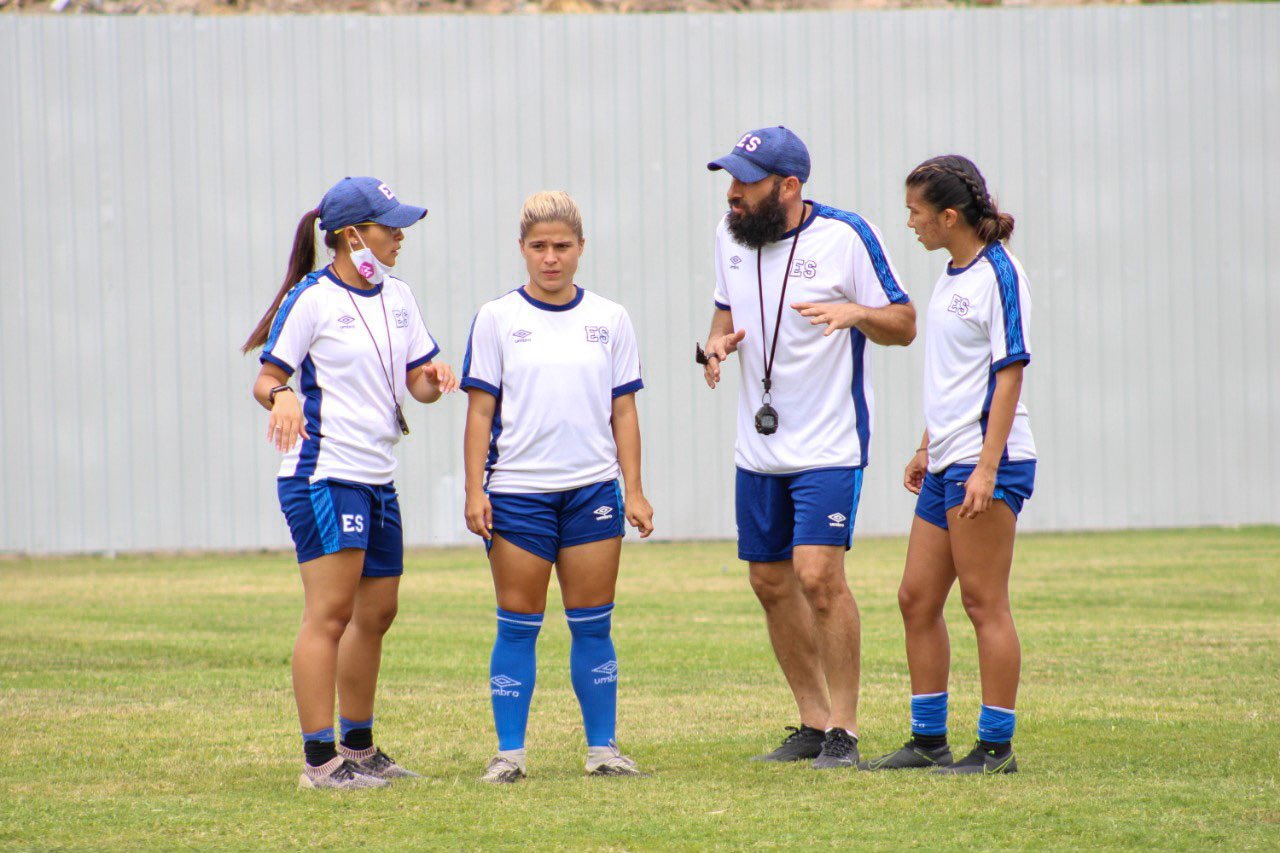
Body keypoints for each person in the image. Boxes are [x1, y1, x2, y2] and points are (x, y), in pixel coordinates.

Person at [701, 127, 916, 769]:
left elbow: (903, 323)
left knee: (818, 577)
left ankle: (845, 732)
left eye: (747, 182)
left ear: (789, 187)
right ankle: (811, 722)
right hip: (757, 445)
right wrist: (713, 345)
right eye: (731, 181)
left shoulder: (847, 235)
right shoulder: (728, 235)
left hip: (829, 441)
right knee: (769, 581)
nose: (734, 194)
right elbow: (722, 315)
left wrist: (856, 315)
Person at [242, 176, 459, 790]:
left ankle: (359, 746)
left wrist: (434, 377)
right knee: (330, 614)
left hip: (377, 476)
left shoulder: (399, 296)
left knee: (378, 612)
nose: (399, 237)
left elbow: (414, 380)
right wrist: (282, 395)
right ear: (351, 235)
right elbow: (266, 378)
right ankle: (320, 761)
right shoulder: (312, 298)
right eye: (390, 227)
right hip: (325, 474)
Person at [461, 190, 655, 784]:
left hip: (593, 493)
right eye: (539, 247)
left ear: (581, 249)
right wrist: (475, 490)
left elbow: (624, 411)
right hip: (518, 494)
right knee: (517, 623)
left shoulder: (610, 318)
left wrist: (635, 488)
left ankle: (603, 751)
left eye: (562, 246)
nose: (551, 258)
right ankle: (509, 755)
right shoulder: (497, 318)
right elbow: (479, 414)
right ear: (522, 250)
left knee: (593, 623)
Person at [858, 155, 1036, 775]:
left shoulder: (999, 274)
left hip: (988, 461)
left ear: (949, 215)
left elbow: (1008, 373)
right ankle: (928, 740)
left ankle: (995, 748)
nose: (909, 222)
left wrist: (986, 467)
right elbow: (954, 377)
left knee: (984, 603)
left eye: (915, 211)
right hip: (947, 459)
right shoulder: (951, 273)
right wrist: (926, 443)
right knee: (915, 598)